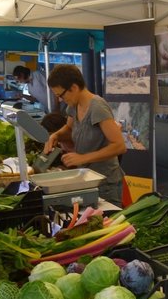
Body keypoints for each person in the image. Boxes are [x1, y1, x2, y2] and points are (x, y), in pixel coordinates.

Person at [43, 64, 126, 206]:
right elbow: (69, 128)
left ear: (73, 87)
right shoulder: (74, 106)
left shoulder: (97, 107)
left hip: (105, 183)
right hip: (87, 179)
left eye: (60, 95)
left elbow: (119, 146)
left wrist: (83, 158)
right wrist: (55, 136)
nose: (61, 100)